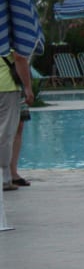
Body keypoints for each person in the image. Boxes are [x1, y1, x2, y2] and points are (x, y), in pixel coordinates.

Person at [1, 52, 33, 192]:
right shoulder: (11, 33)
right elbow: (19, 57)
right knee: (6, 133)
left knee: (12, 130)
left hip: (9, 85)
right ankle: (5, 177)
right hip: (7, 86)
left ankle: (10, 174)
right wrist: (28, 87)